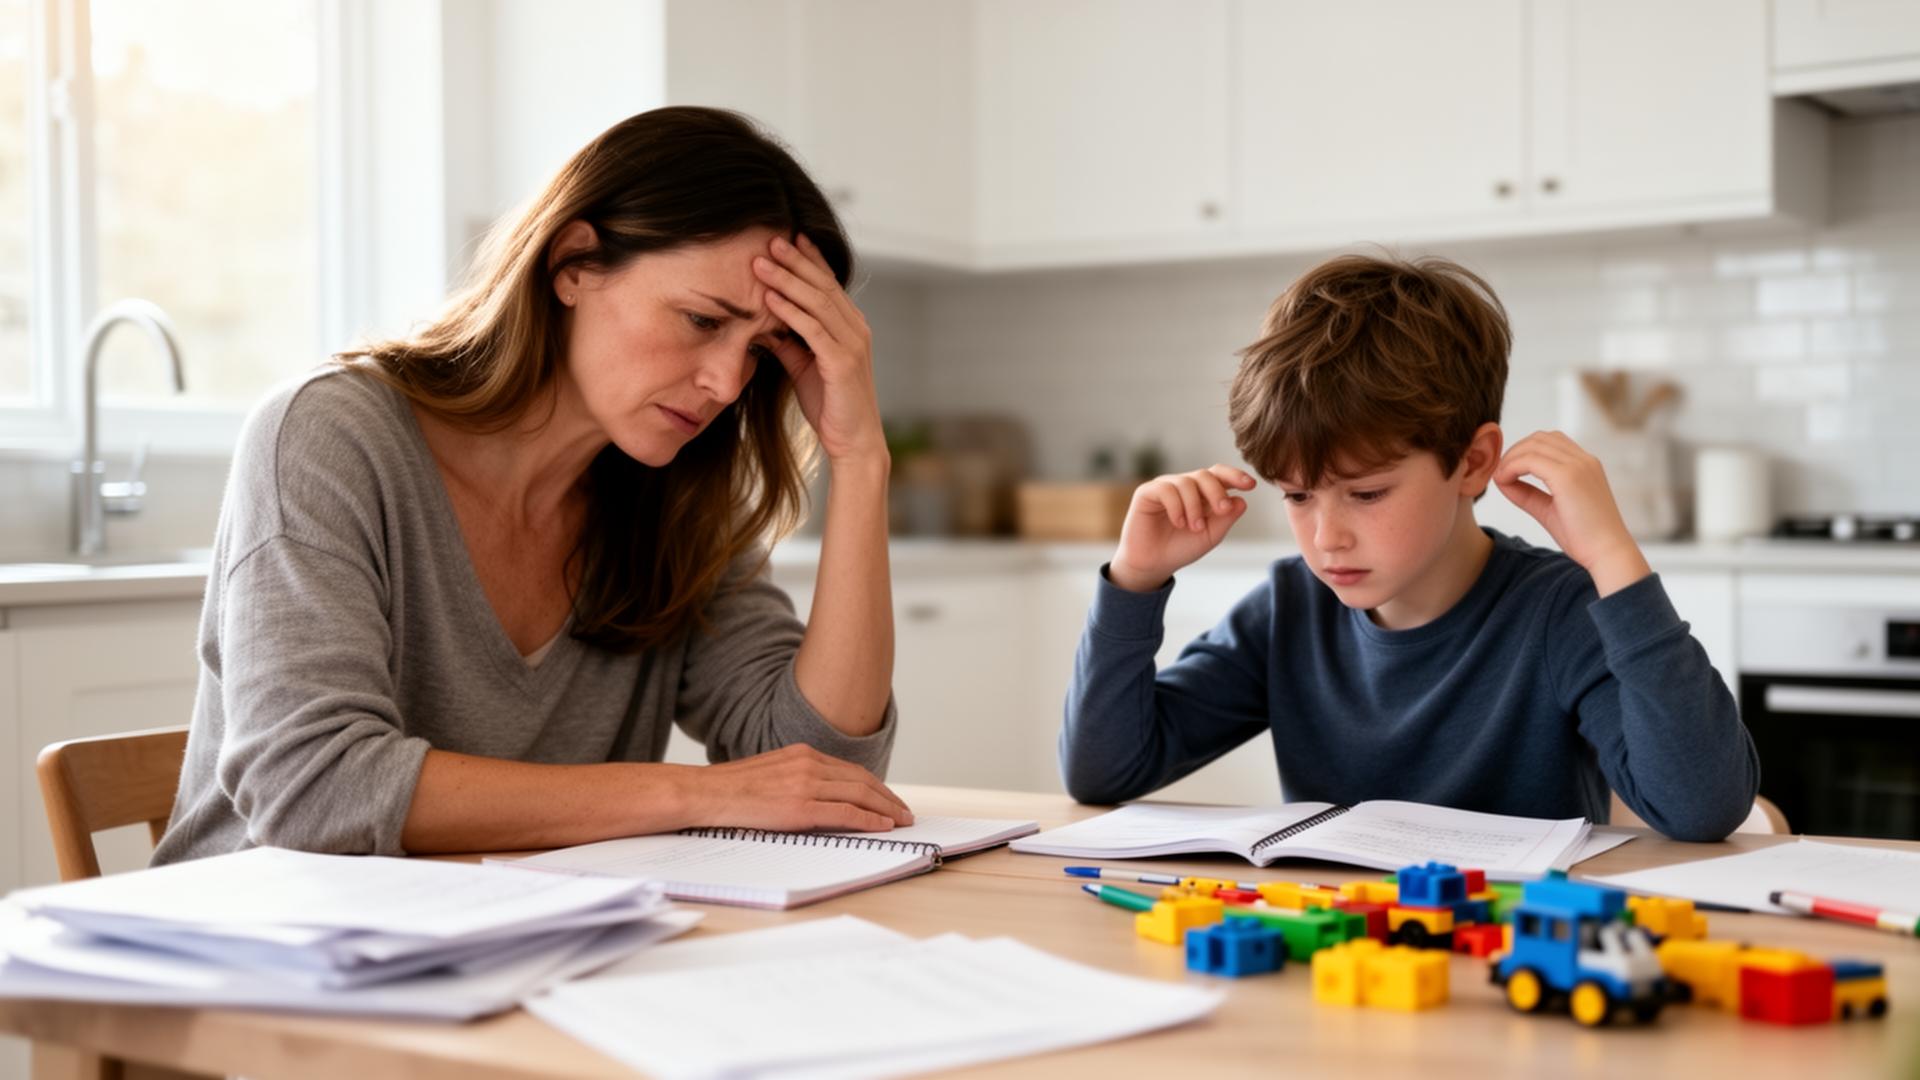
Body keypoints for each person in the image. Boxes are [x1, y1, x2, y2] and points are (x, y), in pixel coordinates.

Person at [154, 107, 912, 865]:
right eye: (702, 319)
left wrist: (859, 458)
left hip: (512, 940)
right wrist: (695, 794)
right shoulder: (331, 435)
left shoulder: (683, 500)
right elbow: (315, 791)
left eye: (760, 351)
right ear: (574, 264)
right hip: (260, 954)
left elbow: (824, 774)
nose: (725, 382)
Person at [1059, 253, 1758, 842]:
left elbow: (1701, 809)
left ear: (1473, 462)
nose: (1326, 538)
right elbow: (1105, 773)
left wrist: (1612, 559)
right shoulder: (1289, 610)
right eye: (1298, 497)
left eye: (1365, 494)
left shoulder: (1558, 613)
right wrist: (1135, 581)